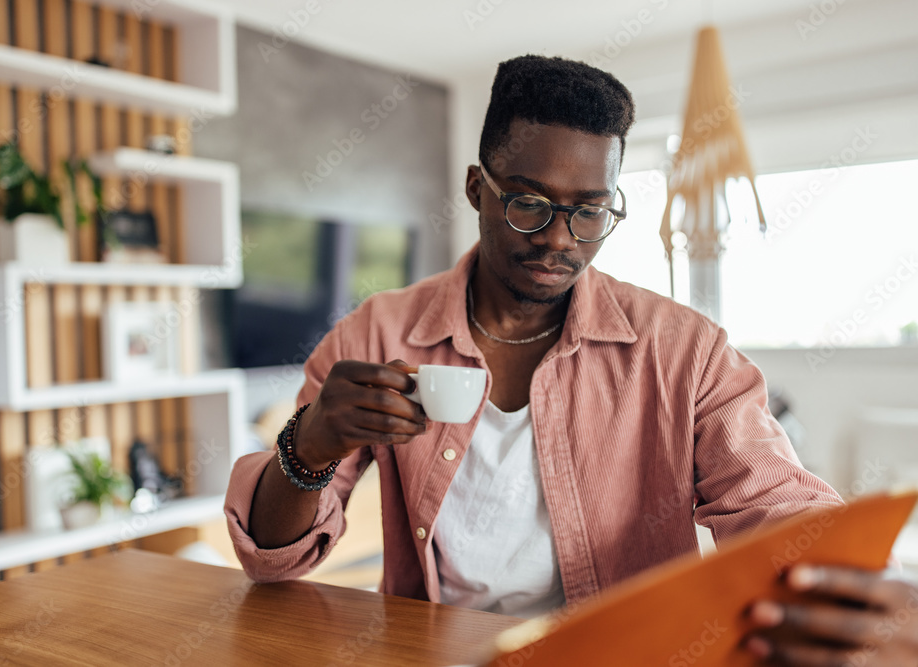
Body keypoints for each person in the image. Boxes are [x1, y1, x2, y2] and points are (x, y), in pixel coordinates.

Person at [226, 55, 918, 662]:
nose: (560, 239)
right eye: (530, 203)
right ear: (477, 189)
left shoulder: (682, 348)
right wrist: (312, 438)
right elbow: (270, 557)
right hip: (439, 651)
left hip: (622, 653)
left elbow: (776, 504)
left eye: (590, 211)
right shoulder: (377, 331)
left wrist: (851, 577)